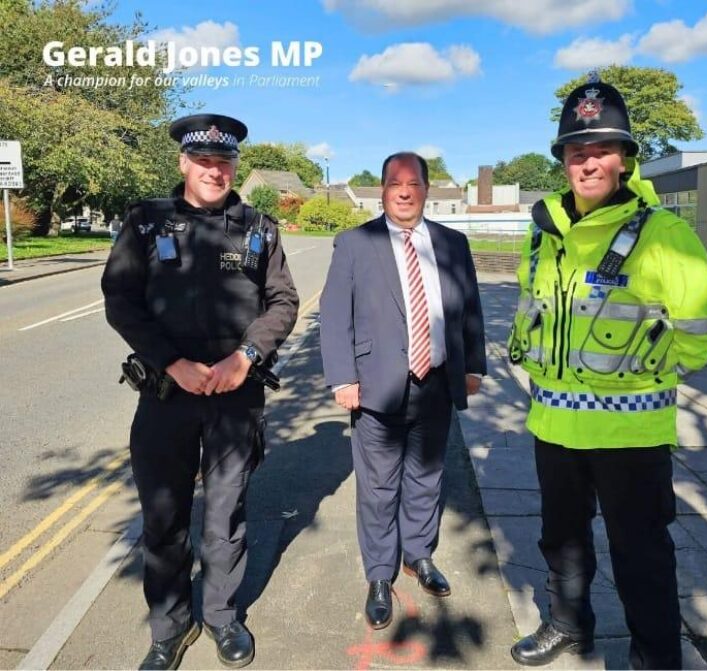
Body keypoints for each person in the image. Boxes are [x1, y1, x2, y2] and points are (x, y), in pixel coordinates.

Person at [507, 75, 707, 669]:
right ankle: (569, 626)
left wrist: (657, 371)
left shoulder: (665, 235)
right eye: (577, 152)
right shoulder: (541, 235)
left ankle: (655, 659)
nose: (588, 162)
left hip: (630, 434)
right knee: (561, 542)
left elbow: (704, 328)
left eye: (601, 150)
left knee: (642, 555)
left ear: (626, 159)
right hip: (553, 426)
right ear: (563, 163)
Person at [102, 114, 299, 670]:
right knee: (163, 516)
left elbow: (282, 302)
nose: (215, 170)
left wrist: (248, 356)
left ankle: (220, 616)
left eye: (224, 162)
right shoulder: (146, 223)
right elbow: (121, 299)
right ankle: (170, 625)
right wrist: (170, 362)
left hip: (235, 399)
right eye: (204, 161)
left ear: (235, 166)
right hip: (167, 395)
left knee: (225, 514)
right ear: (184, 163)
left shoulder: (260, 227)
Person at [319, 152, 486, 629]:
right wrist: (343, 377)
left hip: (436, 381)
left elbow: (469, 307)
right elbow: (334, 317)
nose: (405, 191)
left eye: (414, 183)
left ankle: (419, 555)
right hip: (375, 388)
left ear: (427, 189)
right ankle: (378, 573)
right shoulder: (356, 243)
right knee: (377, 487)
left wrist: (473, 365)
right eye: (395, 183)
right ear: (383, 190)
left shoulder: (453, 243)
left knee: (427, 477)